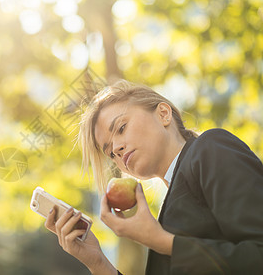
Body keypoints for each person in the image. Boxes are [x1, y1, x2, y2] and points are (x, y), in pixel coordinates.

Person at [44, 80, 263, 274]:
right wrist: (98, 263)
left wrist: (162, 241)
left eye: (121, 127)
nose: (118, 149)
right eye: (110, 152)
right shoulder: (165, 212)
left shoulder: (211, 148)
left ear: (163, 114)